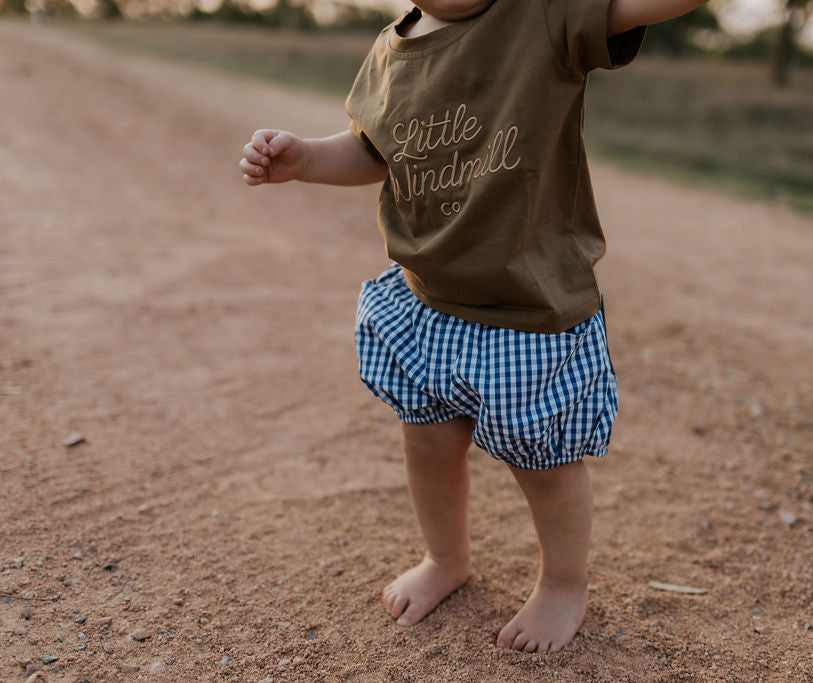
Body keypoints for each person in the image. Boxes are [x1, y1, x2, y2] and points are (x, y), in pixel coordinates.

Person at [240, 0, 709, 654]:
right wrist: (307, 159)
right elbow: (376, 147)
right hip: (428, 301)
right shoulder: (393, 48)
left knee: (544, 460)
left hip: (528, 310)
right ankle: (446, 557)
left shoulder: (545, 15)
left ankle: (563, 585)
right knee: (427, 441)